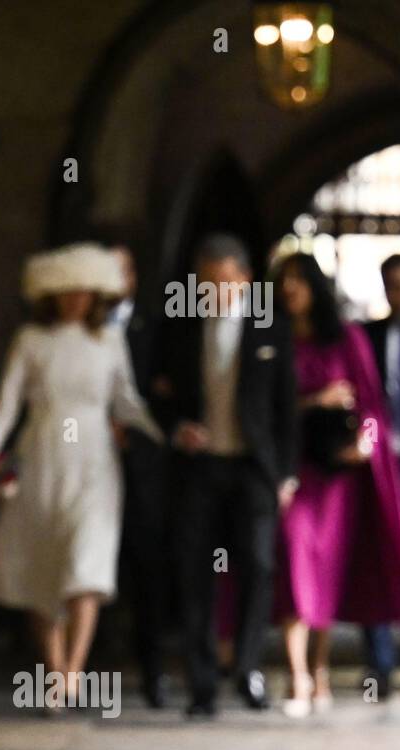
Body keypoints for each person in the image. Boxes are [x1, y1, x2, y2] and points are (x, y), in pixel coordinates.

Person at [0, 243, 163, 707]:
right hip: (40, 456)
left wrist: (160, 434)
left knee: (86, 562)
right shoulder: (31, 341)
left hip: (95, 460)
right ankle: (54, 672)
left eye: (82, 292)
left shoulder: (110, 341)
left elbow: (127, 399)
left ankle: (74, 671)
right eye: (64, 292)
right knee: (43, 563)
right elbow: (7, 404)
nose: (74, 300)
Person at [152, 233, 298, 716]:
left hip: (254, 469)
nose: (215, 291)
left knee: (257, 565)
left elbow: (285, 407)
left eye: (226, 282)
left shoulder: (270, 327)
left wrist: (287, 474)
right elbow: (159, 393)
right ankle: (201, 684)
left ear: (246, 280)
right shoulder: (179, 327)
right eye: (207, 283)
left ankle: (249, 668)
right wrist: (177, 428)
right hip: (200, 468)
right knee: (195, 572)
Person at [272, 253, 400, 717]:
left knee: (327, 571)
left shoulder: (349, 339)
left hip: (340, 478)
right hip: (294, 471)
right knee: (296, 561)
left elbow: (373, 409)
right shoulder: (273, 341)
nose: (291, 290)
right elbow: (265, 406)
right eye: (285, 281)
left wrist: (366, 445)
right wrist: (314, 400)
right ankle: (297, 677)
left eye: (300, 281)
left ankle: (317, 672)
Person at [105, 241, 172, 708]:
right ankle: (88, 672)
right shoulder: (75, 327)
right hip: (87, 461)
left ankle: (154, 671)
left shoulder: (158, 325)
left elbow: (166, 393)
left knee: (148, 568)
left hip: (144, 469)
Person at [363, 253, 400, 694]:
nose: (394, 294)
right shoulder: (369, 336)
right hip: (382, 466)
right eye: (388, 286)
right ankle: (379, 666)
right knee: (379, 559)